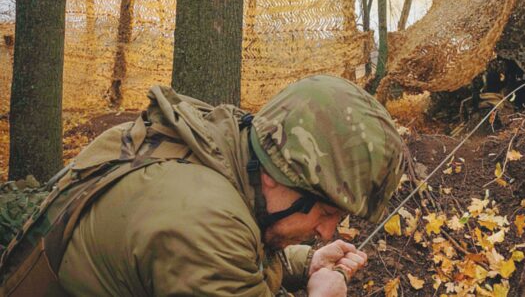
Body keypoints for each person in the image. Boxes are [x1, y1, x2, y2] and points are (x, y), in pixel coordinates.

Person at [0, 75, 405, 296]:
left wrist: (305, 264)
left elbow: (239, 250)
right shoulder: (202, 219)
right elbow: (215, 247)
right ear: (278, 175)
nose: (327, 232)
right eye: (327, 211)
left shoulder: (214, 145)